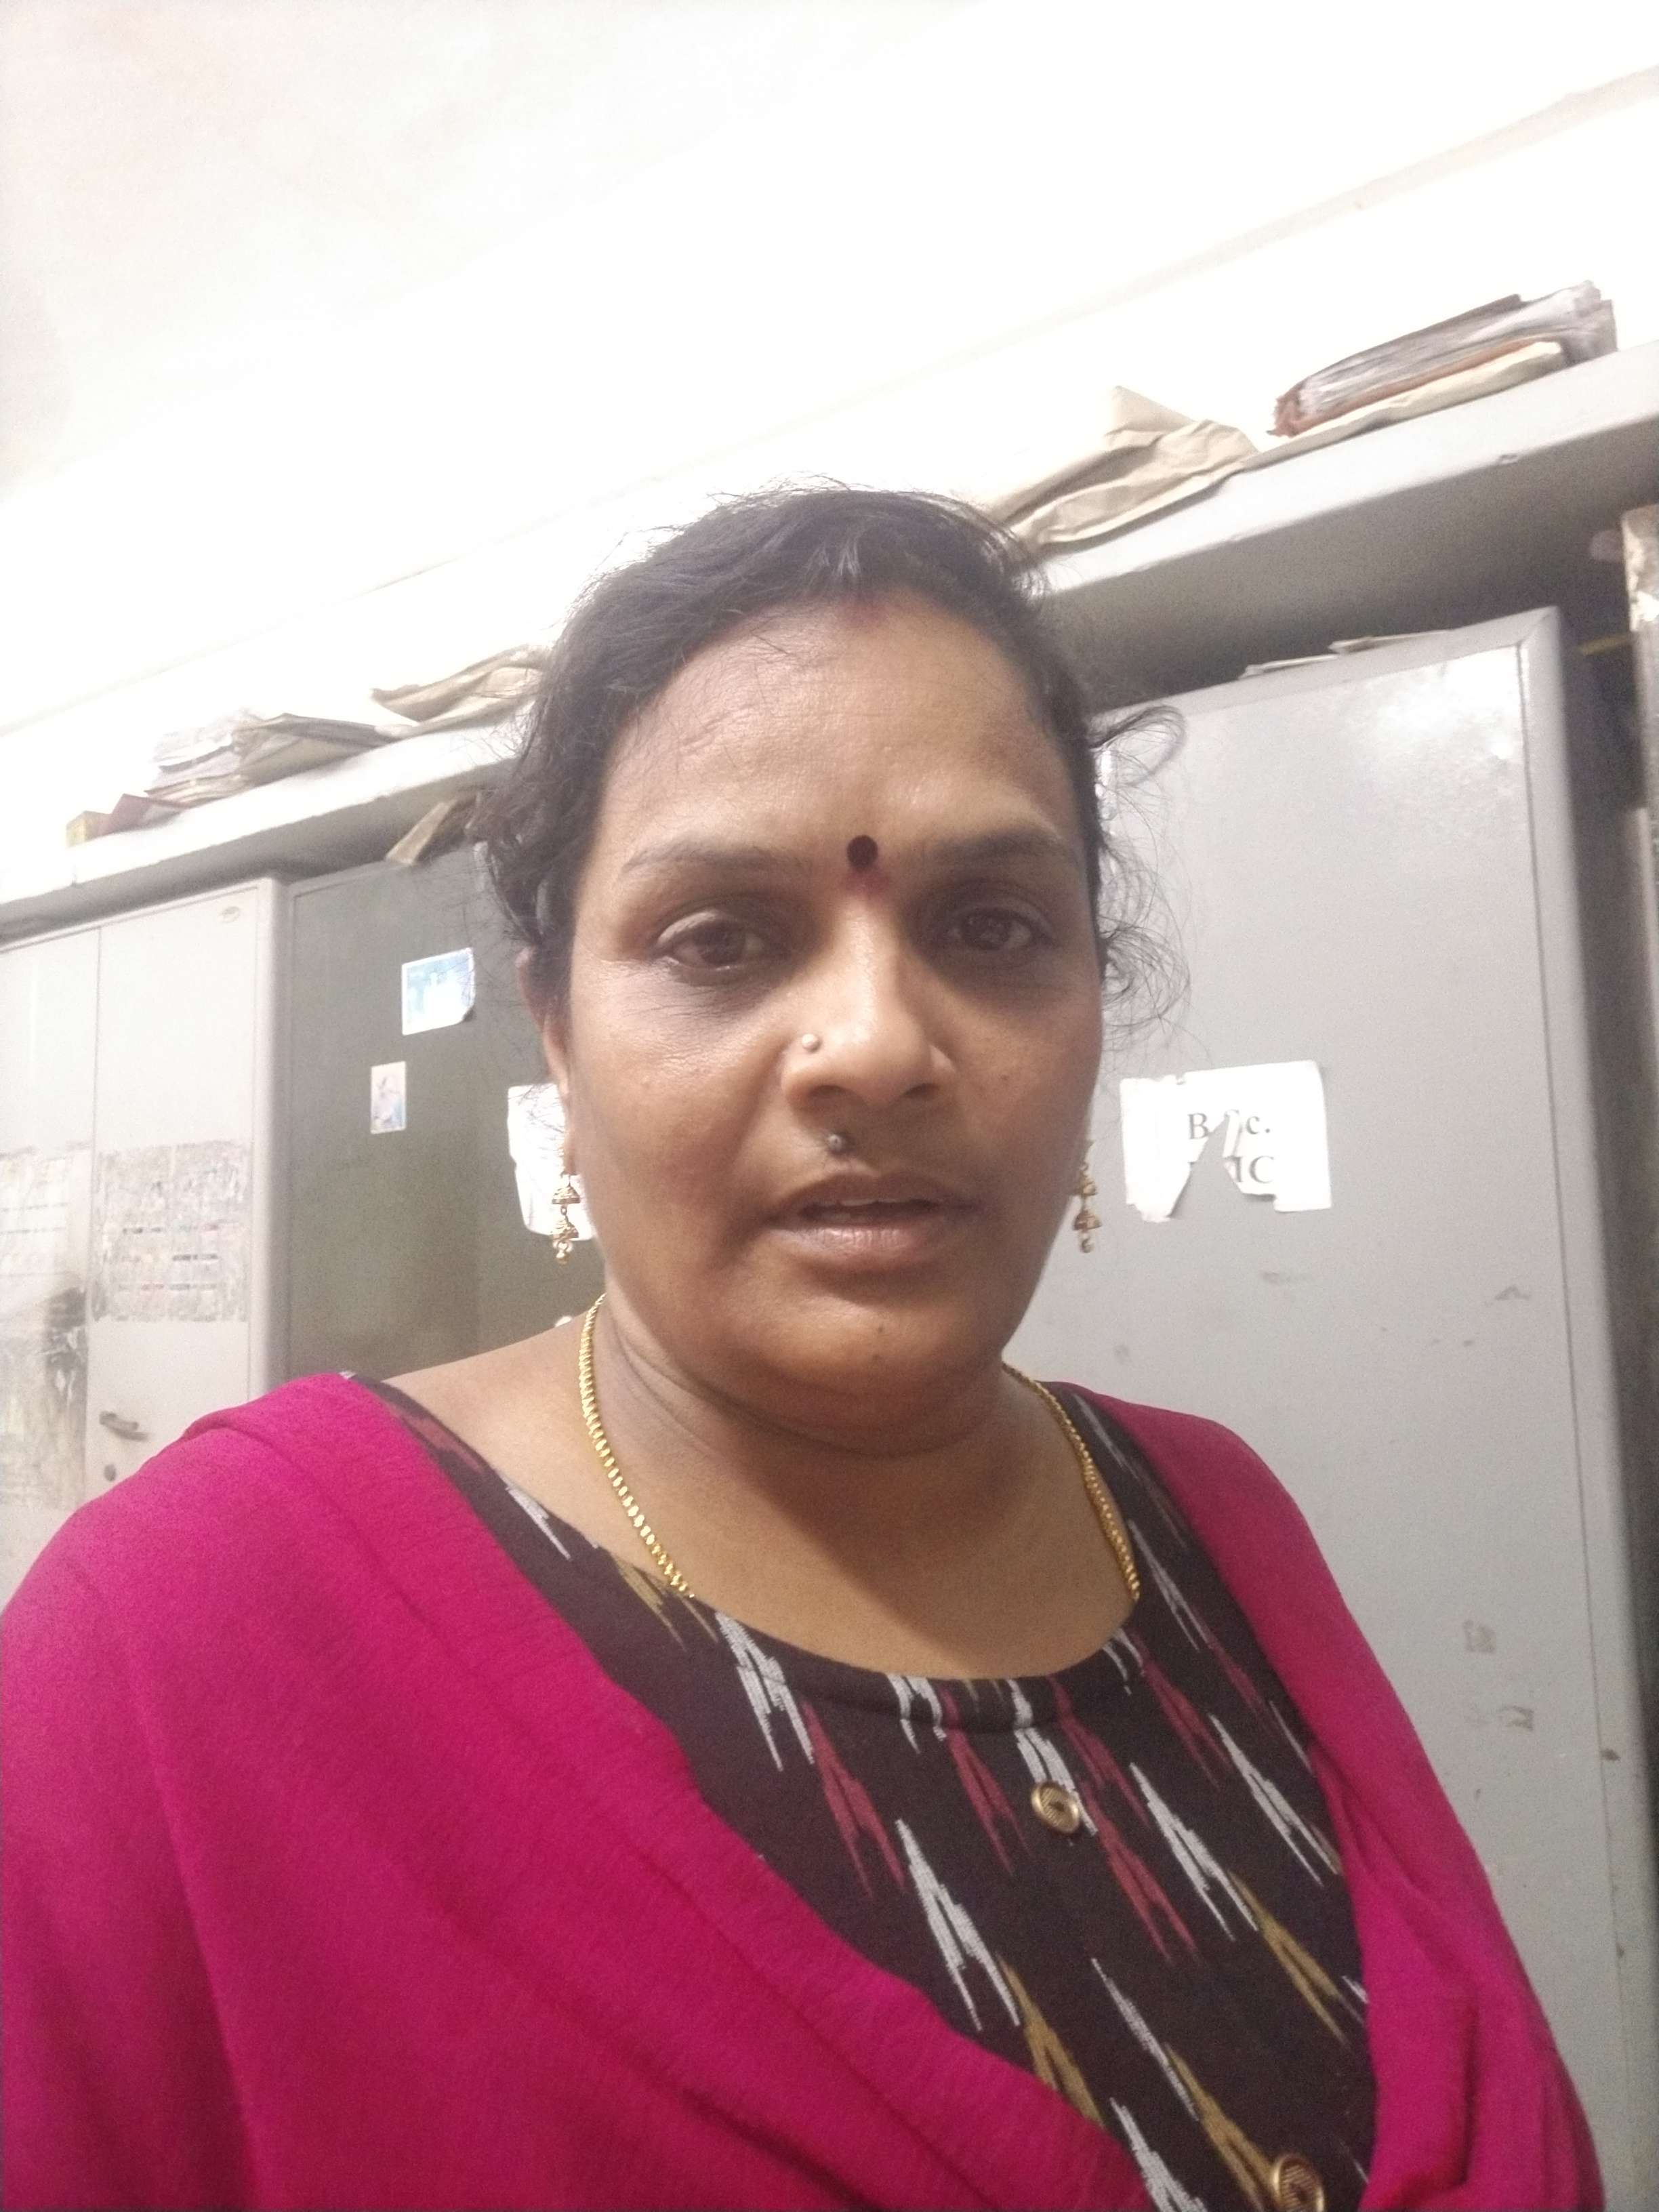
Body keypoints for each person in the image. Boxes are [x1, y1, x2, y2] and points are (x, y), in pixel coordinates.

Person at [2, 489, 1597, 2212]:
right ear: (557, 1033)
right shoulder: (188, 1637)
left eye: (991, 926)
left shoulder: (1210, 1521)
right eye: (722, 939)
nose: (876, 1045)